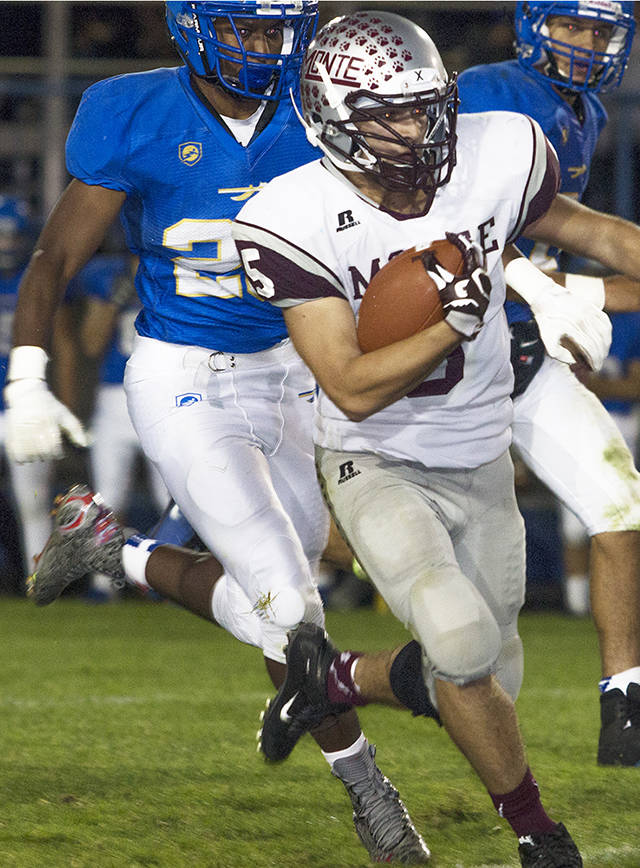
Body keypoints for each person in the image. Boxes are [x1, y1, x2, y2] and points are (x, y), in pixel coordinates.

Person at [225, 11, 640, 866]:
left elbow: (594, 230)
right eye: (391, 116)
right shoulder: (288, 216)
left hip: (481, 451)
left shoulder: (497, 151)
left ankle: (334, 678)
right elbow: (347, 382)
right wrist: (448, 327)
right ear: (332, 118)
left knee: (488, 678)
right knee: (457, 644)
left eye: (426, 107)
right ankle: (538, 831)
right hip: (375, 456)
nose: (419, 130)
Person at [8, 3, 430, 862]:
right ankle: (368, 789)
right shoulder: (135, 113)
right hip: (181, 376)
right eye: (244, 27)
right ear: (194, 28)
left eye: (279, 28)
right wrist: (23, 376)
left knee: (282, 596)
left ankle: (111, 549)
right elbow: (54, 258)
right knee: (290, 605)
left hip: (296, 372)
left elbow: (411, 225)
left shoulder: (320, 110)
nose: (266, 47)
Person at [456, 0, 640, 769]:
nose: (587, 43)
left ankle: (624, 716)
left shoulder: (585, 110)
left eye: (601, 31)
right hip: (450, 358)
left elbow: (542, 239)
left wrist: (603, 290)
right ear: (532, 24)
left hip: (524, 353)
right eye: (572, 26)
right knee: (378, 549)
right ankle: (241, 582)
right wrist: (595, 292)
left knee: (623, 505)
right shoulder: (488, 93)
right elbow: (466, 241)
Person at [65, 252, 171, 600]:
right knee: (108, 499)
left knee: (172, 500)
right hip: (114, 398)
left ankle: (169, 581)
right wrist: (116, 298)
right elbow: (91, 344)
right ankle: (102, 582)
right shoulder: (107, 276)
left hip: (166, 395)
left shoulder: (180, 271)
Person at [559, 310, 640, 616]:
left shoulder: (638, 322)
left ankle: (621, 602)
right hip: (575, 422)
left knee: (623, 518)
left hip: (619, 422)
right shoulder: (568, 314)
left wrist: (589, 385)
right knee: (573, 526)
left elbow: (637, 387)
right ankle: (577, 605)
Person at [0, 196, 55, 588]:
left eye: (11, 236)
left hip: (25, 403)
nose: (6, 244)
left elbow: (64, 342)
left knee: (34, 502)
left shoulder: (34, 278)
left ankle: (41, 581)